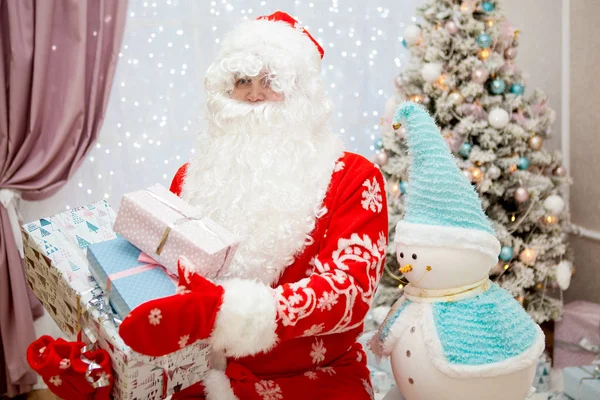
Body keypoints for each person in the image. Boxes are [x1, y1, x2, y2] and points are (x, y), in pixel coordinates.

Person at [118, 11, 388, 399]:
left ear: (303, 95)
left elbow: (350, 293)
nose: (254, 94)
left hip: (310, 378)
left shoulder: (353, 177)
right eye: (242, 81)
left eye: (271, 82)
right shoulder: (189, 177)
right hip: (194, 376)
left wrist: (231, 310)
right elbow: (157, 280)